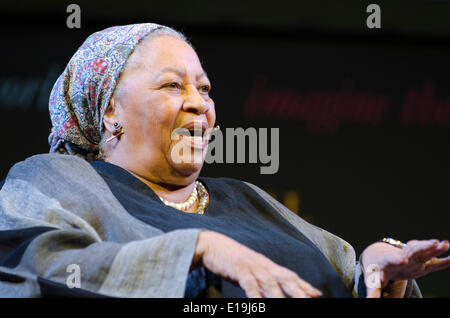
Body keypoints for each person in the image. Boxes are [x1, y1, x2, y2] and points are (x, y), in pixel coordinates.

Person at [0, 23, 449, 298]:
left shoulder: (247, 198)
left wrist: (379, 268)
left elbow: (348, 276)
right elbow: (31, 268)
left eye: (205, 89)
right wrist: (198, 249)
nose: (200, 104)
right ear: (109, 110)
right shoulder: (57, 180)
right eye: (172, 86)